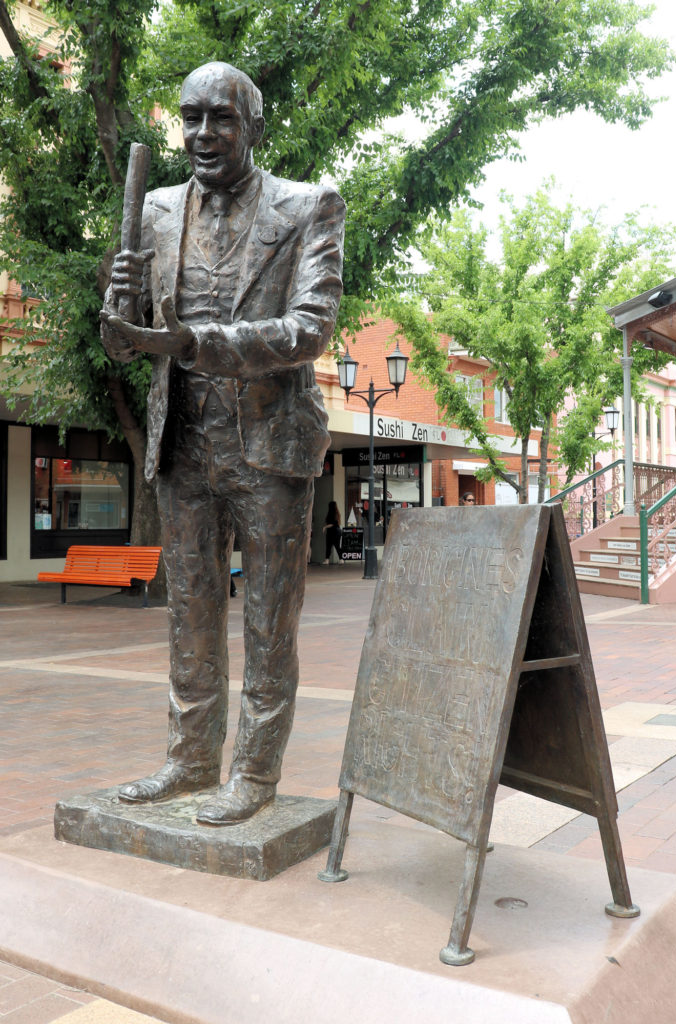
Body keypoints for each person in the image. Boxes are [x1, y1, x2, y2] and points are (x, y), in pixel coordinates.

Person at [100, 61, 345, 825]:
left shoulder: (310, 206)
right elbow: (123, 345)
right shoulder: (157, 211)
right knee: (191, 615)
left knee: (270, 620)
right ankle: (189, 759)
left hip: (269, 444)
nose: (203, 133)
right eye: (191, 117)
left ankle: (255, 775)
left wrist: (196, 340)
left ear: (254, 125)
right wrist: (117, 312)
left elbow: (310, 329)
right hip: (184, 443)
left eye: (222, 118)